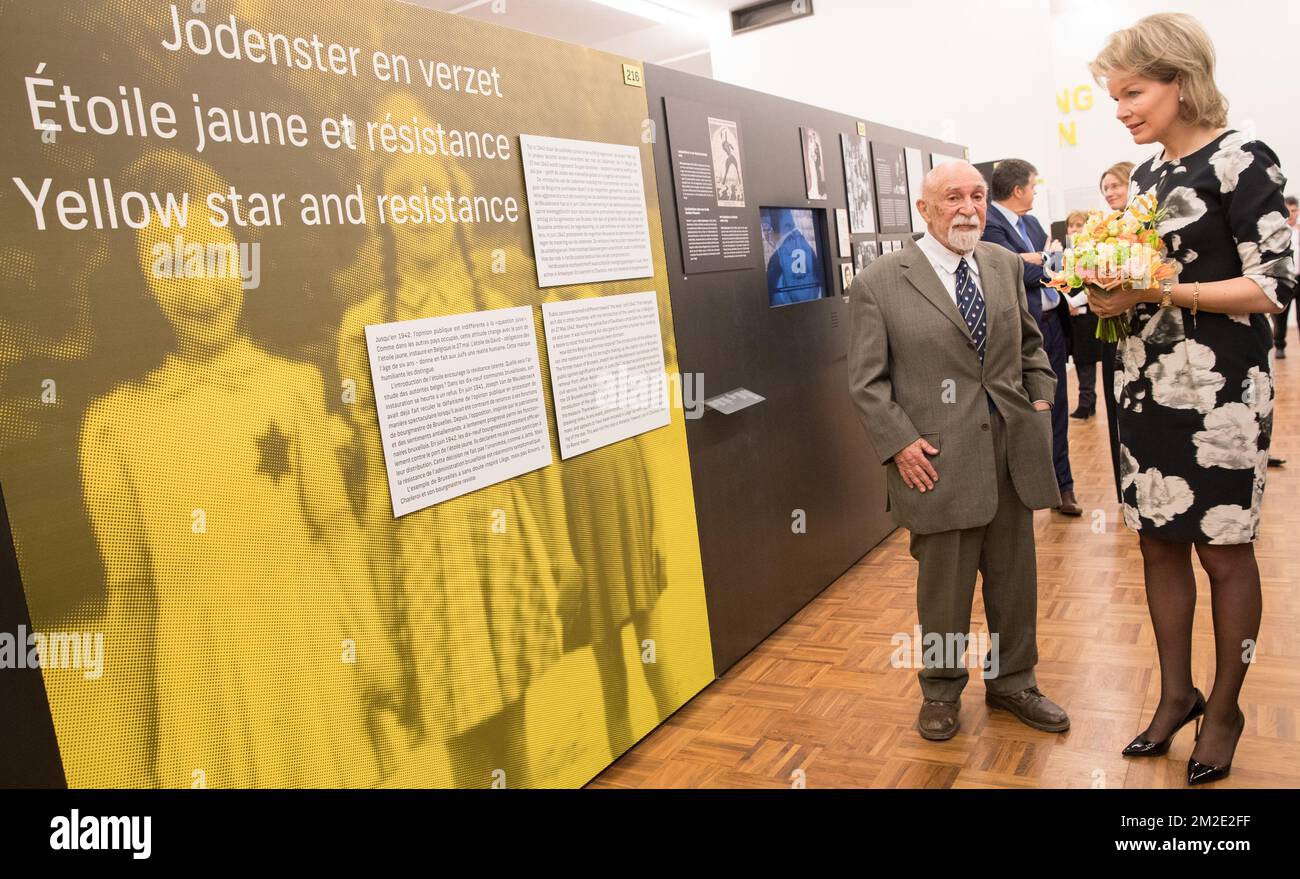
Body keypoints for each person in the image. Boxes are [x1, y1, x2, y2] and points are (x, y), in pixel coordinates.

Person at [1089, 12, 1296, 785]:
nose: (1122, 110)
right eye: (1114, 98)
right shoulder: (1146, 175)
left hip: (1221, 394)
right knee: (1155, 539)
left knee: (1223, 549)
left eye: (1133, 92)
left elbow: (1274, 285)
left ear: (1180, 81)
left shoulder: (1244, 158)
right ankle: (1177, 692)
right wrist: (1112, 292)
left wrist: (1156, 287)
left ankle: (1228, 707)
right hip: (1143, 381)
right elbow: (1147, 275)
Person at [847, 160, 1069, 741]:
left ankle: (1014, 682)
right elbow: (866, 383)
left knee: (1014, 579)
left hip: (1011, 451)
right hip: (935, 462)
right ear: (924, 209)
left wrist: (1040, 401)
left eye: (976, 195)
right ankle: (941, 692)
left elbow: (1029, 344)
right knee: (943, 589)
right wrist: (898, 445)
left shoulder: (998, 264)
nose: (968, 207)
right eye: (952, 197)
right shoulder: (880, 281)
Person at [982, 159, 1082, 516]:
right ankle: (1024, 493)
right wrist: (1043, 258)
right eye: (1033, 186)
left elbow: (1052, 266)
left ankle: (1062, 486)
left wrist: (1039, 259)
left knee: (1055, 409)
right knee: (1022, 414)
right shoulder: (989, 225)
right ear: (1018, 189)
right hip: (1021, 333)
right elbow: (1011, 272)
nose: (1036, 193)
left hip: (1053, 325)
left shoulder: (1033, 223)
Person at [1274, 195, 1299, 358]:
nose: (1291, 214)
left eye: (1294, 210)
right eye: (1288, 210)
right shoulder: (1277, 232)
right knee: (1280, 314)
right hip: (1284, 278)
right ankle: (1280, 346)